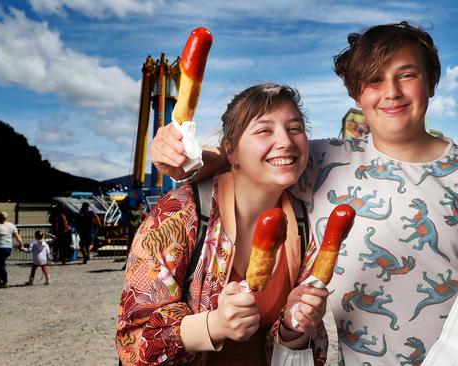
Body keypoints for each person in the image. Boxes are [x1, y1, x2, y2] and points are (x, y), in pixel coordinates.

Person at [150, 22, 458, 365]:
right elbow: (255, 158)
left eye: (407, 74)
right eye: (375, 80)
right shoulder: (323, 160)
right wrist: (180, 153)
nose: (391, 92)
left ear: (431, 81)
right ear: (356, 93)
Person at [116, 83, 330, 365]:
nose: (286, 142)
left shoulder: (303, 224)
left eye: (294, 128)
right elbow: (132, 341)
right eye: (264, 130)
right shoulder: (180, 213)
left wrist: (293, 329)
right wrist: (213, 325)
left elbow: (297, 351)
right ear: (230, 151)